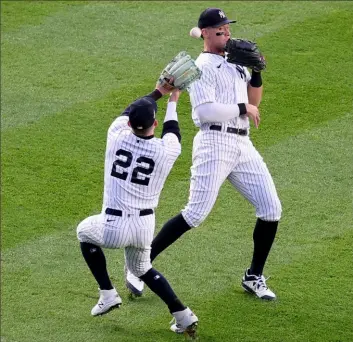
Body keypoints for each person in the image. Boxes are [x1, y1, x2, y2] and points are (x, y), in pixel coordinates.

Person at [126, 7, 282, 301]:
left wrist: (257, 73)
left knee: (271, 209)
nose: (227, 32)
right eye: (221, 28)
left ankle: (253, 276)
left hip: (242, 145)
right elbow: (204, 112)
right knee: (195, 214)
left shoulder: (236, 62)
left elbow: (253, 101)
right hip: (214, 144)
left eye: (228, 27)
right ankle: (138, 266)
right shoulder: (202, 67)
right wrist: (242, 109)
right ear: (207, 32)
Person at [76, 80, 198, 337]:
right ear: (154, 124)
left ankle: (107, 293)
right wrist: (174, 98)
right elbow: (173, 129)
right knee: (142, 268)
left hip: (113, 226)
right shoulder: (166, 150)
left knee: (84, 233)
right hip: (144, 227)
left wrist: (159, 91)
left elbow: (129, 110)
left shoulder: (116, 135)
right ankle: (183, 315)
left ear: (130, 124)